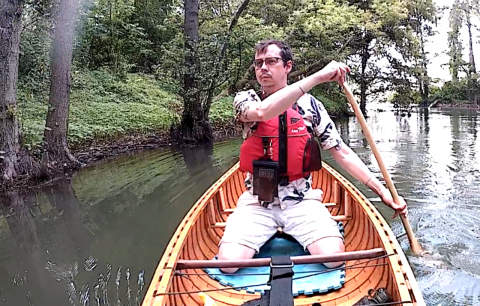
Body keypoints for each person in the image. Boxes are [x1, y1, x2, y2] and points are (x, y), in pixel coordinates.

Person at [217, 39, 408, 273]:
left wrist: (382, 192)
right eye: (258, 63)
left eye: (271, 61)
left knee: (334, 258)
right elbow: (264, 112)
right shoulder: (245, 100)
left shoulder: (311, 106)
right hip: (258, 201)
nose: (263, 67)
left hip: (301, 200)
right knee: (228, 265)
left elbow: (342, 152)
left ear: (287, 67)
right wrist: (318, 76)